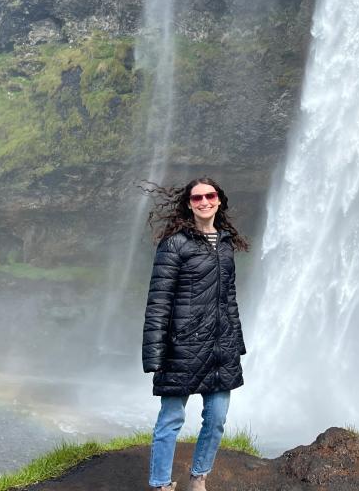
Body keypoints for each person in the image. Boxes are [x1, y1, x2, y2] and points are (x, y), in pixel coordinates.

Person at [142, 177, 249, 491]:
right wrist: (154, 353)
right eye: (197, 197)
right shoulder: (175, 243)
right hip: (182, 346)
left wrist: (237, 343)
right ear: (188, 204)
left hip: (221, 347)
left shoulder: (226, 244)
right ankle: (161, 484)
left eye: (210, 195)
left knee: (216, 419)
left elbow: (228, 298)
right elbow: (159, 301)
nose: (204, 201)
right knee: (171, 418)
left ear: (219, 200)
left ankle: (198, 478)